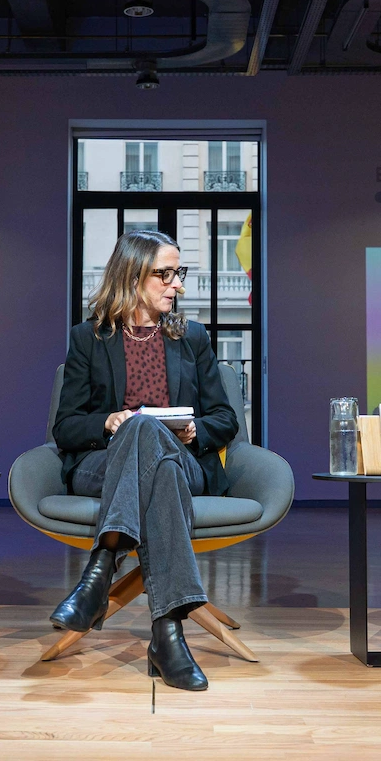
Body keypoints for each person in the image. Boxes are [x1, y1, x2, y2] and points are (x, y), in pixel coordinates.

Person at [50, 230, 239, 691]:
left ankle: (100, 570)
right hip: (107, 465)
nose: (178, 284)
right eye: (167, 274)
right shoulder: (89, 338)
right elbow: (66, 426)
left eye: (180, 274)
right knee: (140, 432)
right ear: (133, 275)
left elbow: (225, 418)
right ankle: (168, 634)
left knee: (153, 441)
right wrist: (110, 421)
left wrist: (196, 429)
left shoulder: (191, 338)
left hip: (185, 458)